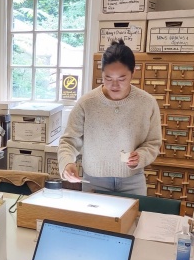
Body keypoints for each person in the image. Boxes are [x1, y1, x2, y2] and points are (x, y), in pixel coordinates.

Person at [58, 40, 161, 195]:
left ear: (133, 73)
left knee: (135, 212)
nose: (114, 85)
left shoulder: (147, 103)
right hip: (94, 180)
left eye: (121, 78)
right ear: (102, 73)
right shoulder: (87, 103)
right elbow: (69, 141)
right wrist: (67, 163)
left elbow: (153, 142)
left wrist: (141, 156)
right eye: (108, 78)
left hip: (132, 180)